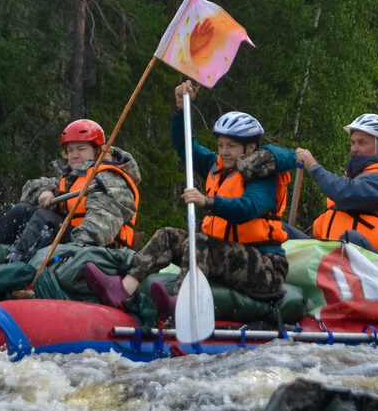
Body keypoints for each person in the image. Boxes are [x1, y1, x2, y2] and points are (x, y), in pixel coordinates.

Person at [85, 80, 295, 321]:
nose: (224, 151)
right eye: (221, 145)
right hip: (227, 256)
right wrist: (180, 110)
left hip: (266, 268)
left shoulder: (264, 177)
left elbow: (248, 208)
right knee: (168, 235)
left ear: (251, 147)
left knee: (199, 242)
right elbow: (185, 146)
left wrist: (208, 202)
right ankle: (123, 289)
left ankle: (181, 305)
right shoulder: (216, 166)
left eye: (232, 146)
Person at [0, 119, 141, 261]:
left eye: (81, 149)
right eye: (70, 150)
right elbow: (30, 187)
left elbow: (100, 228)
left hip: (93, 250)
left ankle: (13, 265)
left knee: (44, 217)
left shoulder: (110, 179)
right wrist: (45, 191)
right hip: (69, 240)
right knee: (22, 210)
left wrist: (67, 251)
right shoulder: (71, 177)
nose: (74, 155)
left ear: (97, 152)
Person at [294, 113, 378, 260]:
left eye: (361, 142)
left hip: (377, 261)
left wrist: (313, 166)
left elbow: (347, 192)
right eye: (353, 143)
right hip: (331, 250)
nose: (354, 148)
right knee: (281, 231)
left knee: (351, 238)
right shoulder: (354, 176)